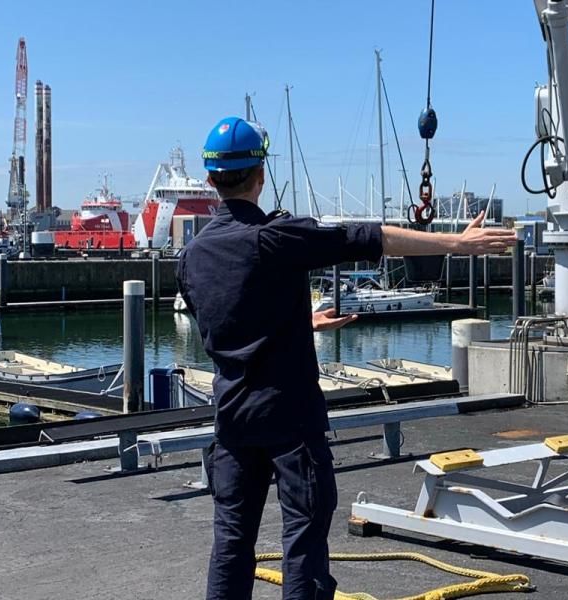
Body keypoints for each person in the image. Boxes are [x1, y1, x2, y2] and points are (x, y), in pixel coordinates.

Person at [177, 117, 516, 600]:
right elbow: (374, 237)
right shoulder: (277, 238)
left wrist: (300, 322)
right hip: (290, 420)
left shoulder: (191, 257)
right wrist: (456, 243)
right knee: (303, 542)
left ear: (210, 180)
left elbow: (225, 325)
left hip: (232, 422)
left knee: (231, 545)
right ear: (261, 175)